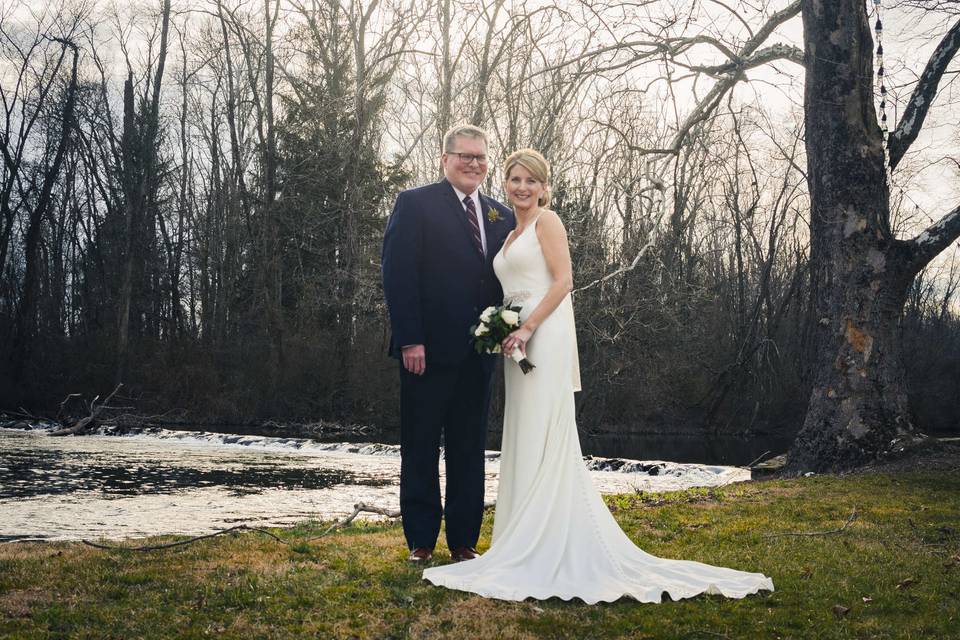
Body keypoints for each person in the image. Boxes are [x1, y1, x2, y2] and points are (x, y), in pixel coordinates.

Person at [422, 148, 774, 603]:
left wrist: (527, 326)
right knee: (525, 432)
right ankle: (519, 538)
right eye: (514, 180)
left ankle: (550, 540)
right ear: (504, 185)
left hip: (542, 335)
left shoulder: (548, 222)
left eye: (531, 181)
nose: (522, 187)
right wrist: (501, 324)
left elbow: (563, 281)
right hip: (514, 340)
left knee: (546, 430)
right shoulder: (510, 231)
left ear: (545, 187)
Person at [381, 125, 515, 563]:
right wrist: (410, 340)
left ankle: (463, 542)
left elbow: (504, 283)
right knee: (420, 445)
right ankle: (421, 541)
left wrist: (505, 330)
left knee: (468, 447)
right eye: (464, 156)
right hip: (426, 352)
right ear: (445, 159)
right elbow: (398, 275)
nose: (473, 163)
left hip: (478, 355)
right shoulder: (415, 204)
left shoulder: (501, 214)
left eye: (480, 157)